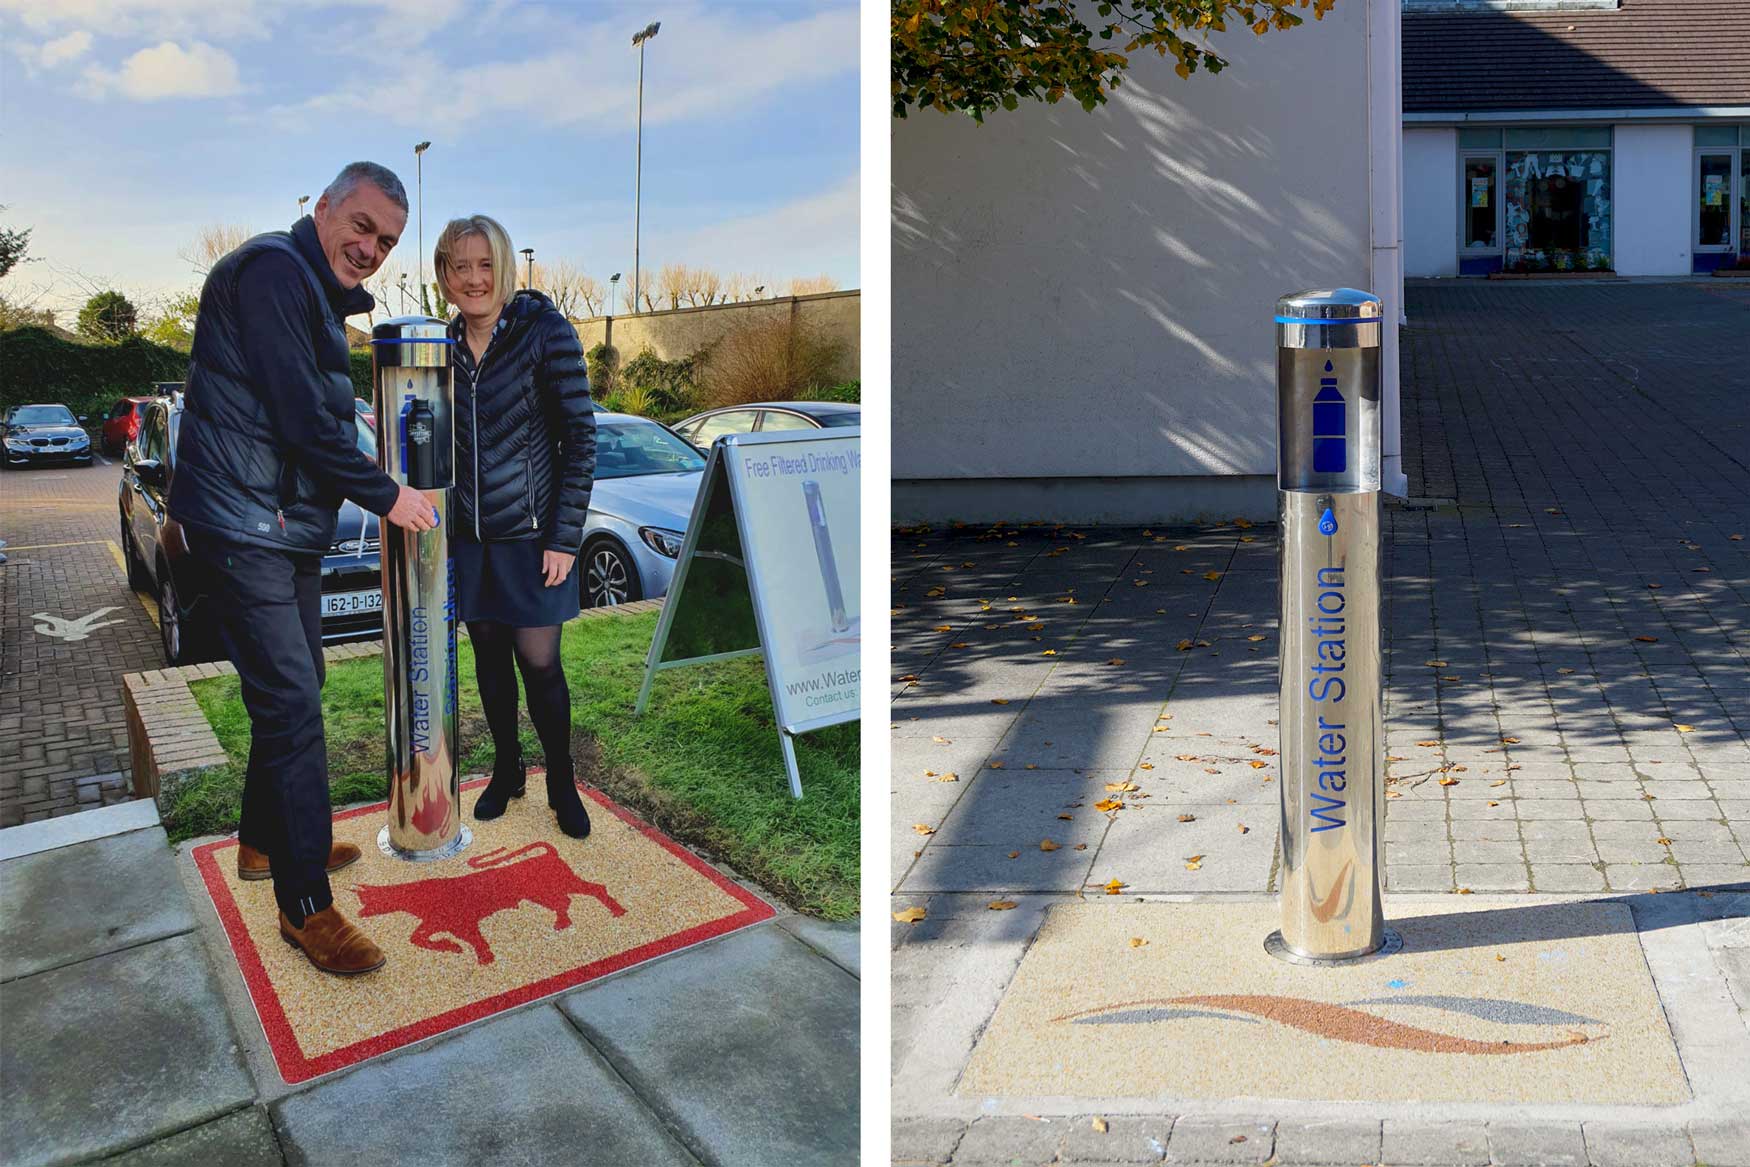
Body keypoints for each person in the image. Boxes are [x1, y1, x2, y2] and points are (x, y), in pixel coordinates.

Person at [169, 162, 437, 976]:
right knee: (290, 700)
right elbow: (301, 418)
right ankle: (306, 905)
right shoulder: (274, 273)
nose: (370, 248)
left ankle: (264, 842)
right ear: (320, 208)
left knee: (299, 684)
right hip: (242, 519)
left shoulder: (310, 291)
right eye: (360, 226)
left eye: (386, 241)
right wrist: (389, 493)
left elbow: (315, 416)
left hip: (276, 523)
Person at [433, 214, 596, 838]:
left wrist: (564, 537)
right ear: (445, 275)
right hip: (471, 540)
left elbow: (580, 439)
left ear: (503, 268)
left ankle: (561, 779)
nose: (473, 279)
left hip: (533, 539)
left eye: (484, 265)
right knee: (490, 663)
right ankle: (508, 771)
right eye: (459, 266)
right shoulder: (442, 348)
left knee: (540, 664)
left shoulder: (545, 332)